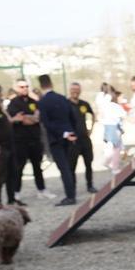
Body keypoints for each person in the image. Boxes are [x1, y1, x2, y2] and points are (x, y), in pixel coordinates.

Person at [7, 79, 52, 201]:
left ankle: (41, 189)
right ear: (16, 88)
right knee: (19, 168)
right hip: (20, 140)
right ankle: (16, 192)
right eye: (21, 87)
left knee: (37, 166)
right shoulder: (13, 104)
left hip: (35, 139)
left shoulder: (34, 102)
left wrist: (29, 118)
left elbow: (37, 118)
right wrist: (29, 118)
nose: (24, 89)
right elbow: (23, 119)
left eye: (26, 86)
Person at [36, 75, 79, 206]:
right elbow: (73, 117)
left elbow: (46, 123)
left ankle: (70, 196)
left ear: (41, 86)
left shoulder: (43, 102)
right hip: (69, 136)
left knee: (64, 168)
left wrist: (63, 133)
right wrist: (71, 132)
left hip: (56, 139)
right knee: (69, 167)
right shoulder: (62, 99)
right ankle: (72, 192)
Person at [67, 82, 97, 193]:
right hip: (73, 141)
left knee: (88, 163)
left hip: (85, 139)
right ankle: (72, 188)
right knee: (72, 166)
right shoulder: (66, 104)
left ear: (80, 91)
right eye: (73, 89)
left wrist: (91, 129)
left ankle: (90, 185)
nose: (75, 91)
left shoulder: (84, 104)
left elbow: (93, 114)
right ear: (70, 90)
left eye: (77, 89)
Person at [95, 85, 127, 173]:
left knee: (112, 146)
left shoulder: (106, 104)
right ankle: (114, 167)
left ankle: (107, 162)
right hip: (113, 126)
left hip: (107, 126)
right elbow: (124, 115)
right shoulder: (115, 106)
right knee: (117, 148)